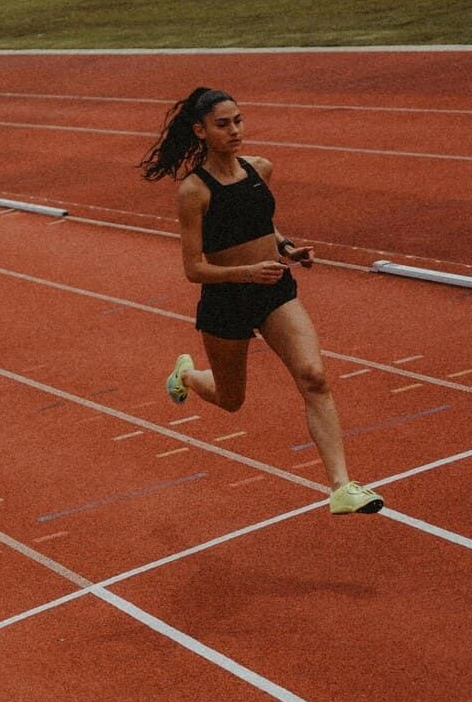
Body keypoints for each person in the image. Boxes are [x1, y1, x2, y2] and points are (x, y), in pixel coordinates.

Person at [139, 86, 383, 515]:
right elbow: (193, 268)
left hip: (273, 291)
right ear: (200, 131)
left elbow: (258, 223)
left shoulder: (260, 168)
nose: (235, 131)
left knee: (313, 376)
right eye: (222, 124)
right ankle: (190, 376)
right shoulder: (194, 191)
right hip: (225, 301)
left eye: (239, 121)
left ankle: (342, 487)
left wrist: (285, 247)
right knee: (231, 400)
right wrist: (246, 272)